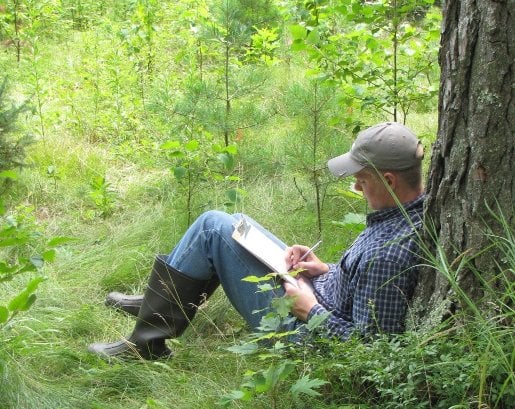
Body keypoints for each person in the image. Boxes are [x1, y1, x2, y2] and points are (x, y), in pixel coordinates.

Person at [88, 122, 425, 360]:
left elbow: (371, 347)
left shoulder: (389, 255)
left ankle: (145, 344)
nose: (357, 189)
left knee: (212, 227)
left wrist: (310, 310)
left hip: (303, 335)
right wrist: (324, 269)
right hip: (314, 294)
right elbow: (362, 284)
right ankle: (158, 302)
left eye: (362, 181)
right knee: (235, 225)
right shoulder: (407, 213)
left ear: (391, 180)